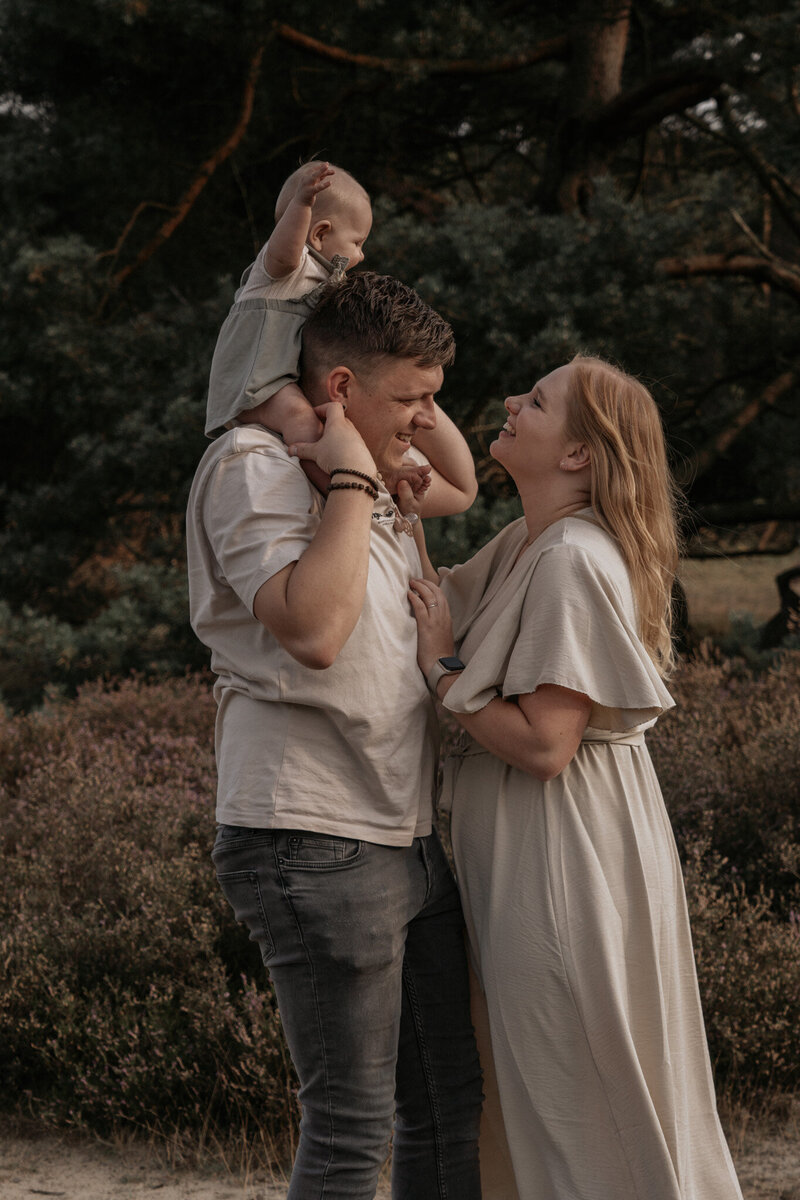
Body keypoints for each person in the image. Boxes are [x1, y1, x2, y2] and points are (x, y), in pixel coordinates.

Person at [406, 355, 743, 1199]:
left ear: (579, 455)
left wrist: (445, 676)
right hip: (539, 840)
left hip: (558, 847)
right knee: (564, 1080)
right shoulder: (531, 540)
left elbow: (546, 742)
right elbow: (432, 600)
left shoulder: (570, 558)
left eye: (541, 400)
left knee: (577, 1086)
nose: (514, 401)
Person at [186, 272, 483, 1200]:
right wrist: (354, 468)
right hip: (311, 834)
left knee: (445, 1106)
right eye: (415, 399)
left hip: (405, 830)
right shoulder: (255, 465)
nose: (430, 419)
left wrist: (386, 424)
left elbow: (465, 488)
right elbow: (313, 632)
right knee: (351, 1131)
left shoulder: (376, 464)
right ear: (344, 390)